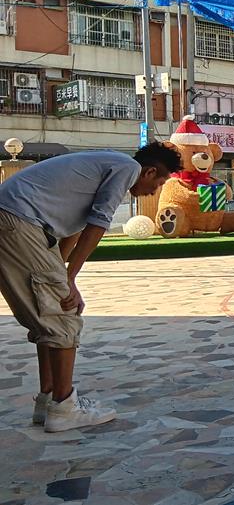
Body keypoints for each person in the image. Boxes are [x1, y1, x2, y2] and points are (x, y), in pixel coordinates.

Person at [0, 143, 181, 432]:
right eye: (159, 183)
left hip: (15, 220)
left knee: (49, 313)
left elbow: (75, 230)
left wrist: (63, 276)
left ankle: (48, 400)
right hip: (20, 222)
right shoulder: (128, 168)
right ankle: (64, 408)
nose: (155, 191)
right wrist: (69, 280)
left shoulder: (106, 165)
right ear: (148, 172)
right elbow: (98, 223)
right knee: (63, 316)